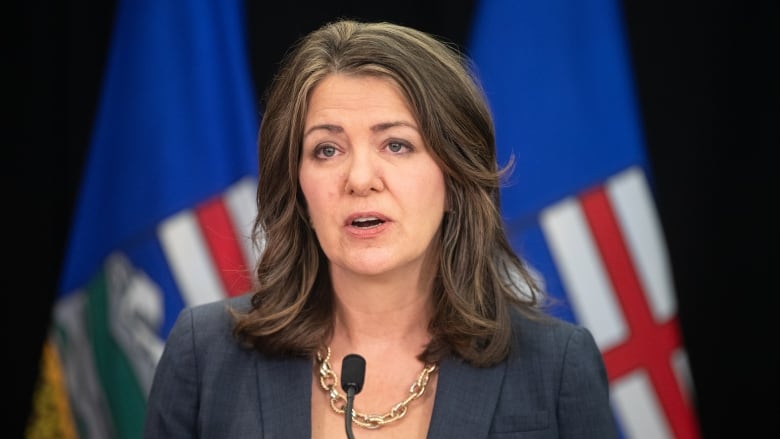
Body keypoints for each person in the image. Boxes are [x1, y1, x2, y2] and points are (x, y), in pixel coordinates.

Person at [143, 19, 620, 438]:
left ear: (455, 176)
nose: (359, 179)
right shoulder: (205, 355)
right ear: (297, 186)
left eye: (396, 145)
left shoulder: (555, 366)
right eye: (327, 150)